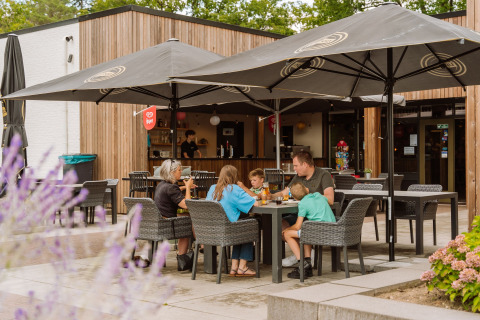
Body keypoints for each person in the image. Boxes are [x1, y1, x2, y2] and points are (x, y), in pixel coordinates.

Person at [271, 150, 335, 267]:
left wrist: (310, 198)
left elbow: (330, 199)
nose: (294, 169)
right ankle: (303, 255)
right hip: (298, 213)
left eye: (296, 166)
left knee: (288, 231)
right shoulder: (298, 176)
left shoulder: (323, 175)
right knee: (277, 223)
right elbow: (285, 192)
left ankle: (302, 258)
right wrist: (270, 196)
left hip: (313, 219)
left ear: (305, 164)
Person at [206, 165, 259, 277]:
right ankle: (242, 267)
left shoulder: (212, 188)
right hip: (228, 230)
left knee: (241, 225)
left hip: (211, 230)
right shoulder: (234, 189)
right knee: (249, 226)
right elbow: (255, 204)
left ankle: (235, 267)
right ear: (235, 176)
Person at [282, 182, 336, 279]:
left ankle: (301, 264)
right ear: (307, 189)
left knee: (287, 234)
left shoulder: (302, 204)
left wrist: (287, 229)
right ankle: (308, 265)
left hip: (318, 233)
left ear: (295, 198)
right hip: (332, 230)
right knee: (306, 231)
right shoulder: (318, 195)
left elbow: (297, 226)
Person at [154, 159, 195, 269]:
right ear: (171, 172)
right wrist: (187, 188)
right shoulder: (171, 187)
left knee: (185, 220)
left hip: (159, 222)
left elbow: (171, 192)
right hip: (168, 224)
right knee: (189, 223)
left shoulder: (161, 185)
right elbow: (186, 205)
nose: (181, 171)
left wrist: (182, 188)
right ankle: (183, 259)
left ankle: (199, 247)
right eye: (179, 169)